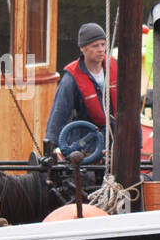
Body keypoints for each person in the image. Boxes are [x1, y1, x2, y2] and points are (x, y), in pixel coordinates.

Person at [45, 22, 117, 156]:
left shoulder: (115, 68)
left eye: (103, 44)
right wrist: (50, 147)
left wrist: (138, 143)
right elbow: (59, 113)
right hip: (86, 143)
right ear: (83, 49)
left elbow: (130, 106)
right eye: (95, 46)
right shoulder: (71, 79)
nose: (101, 49)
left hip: (115, 141)